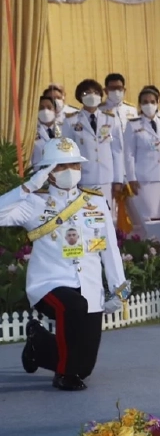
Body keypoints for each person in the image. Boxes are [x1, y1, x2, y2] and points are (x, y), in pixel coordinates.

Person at [1, 138, 129, 391]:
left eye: (74, 165)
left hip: (89, 285)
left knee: (85, 367)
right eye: (60, 166)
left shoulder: (95, 202)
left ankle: (38, 343)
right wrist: (27, 188)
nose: (69, 171)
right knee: (73, 308)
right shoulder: (33, 204)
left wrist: (119, 290)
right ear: (47, 173)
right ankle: (63, 375)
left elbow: (109, 248)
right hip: (49, 283)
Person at [63, 78, 124, 209]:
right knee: (87, 215)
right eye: (86, 93)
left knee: (107, 216)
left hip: (107, 178)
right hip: (83, 179)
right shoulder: (71, 121)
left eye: (95, 92)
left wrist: (118, 180)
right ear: (80, 97)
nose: (92, 96)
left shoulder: (110, 119)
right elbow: (67, 153)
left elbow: (117, 152)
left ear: (101, 96)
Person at [123, 86, 160, 232]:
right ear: (140, 104)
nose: (149, 105)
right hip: (145, 178)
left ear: (158, 102)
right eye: (145, 102)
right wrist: (131, 178)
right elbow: (129, 154)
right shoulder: (133, 124)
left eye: (152, 101)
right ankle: (153, 250)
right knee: (149, 218)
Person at [32, 94, 60, 165]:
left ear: (55, 111)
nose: (45, 110)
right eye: (41, 108)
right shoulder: (31, 132)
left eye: (49, 107)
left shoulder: (64, 128)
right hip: (39, 173)